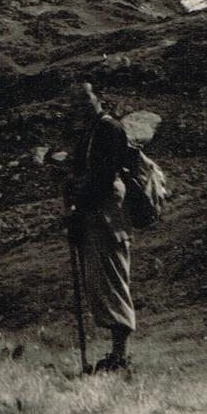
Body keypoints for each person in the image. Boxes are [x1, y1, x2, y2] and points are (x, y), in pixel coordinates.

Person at [63, 81, 135, 373]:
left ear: (98, 98)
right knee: (102, 280)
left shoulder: (106, 129)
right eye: (75, 101)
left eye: (85, 98)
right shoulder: (91, 131)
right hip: (95, 213)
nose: (80, 105)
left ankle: (120, 355)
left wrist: (78, 202)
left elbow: (101, 177)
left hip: (105, 214)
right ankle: (117, 355)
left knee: (111, 279)